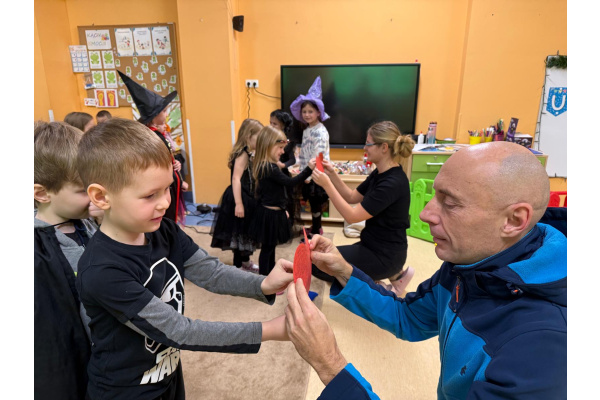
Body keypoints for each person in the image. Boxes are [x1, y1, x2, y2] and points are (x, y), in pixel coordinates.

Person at [285, 142, 567, 399]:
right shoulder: (469, 263)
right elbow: (408, 317)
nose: (425, 214)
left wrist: (330, 364)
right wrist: (344, 271)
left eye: (450, 203)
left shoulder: (542, 347)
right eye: (435, 196)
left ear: (514, 220)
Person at [75, 118, 292, 400]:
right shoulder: (102, 270)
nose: (165, 202)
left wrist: (263, 284)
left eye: (167, 188)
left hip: (167, 373)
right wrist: (268, 329)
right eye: (150, 195)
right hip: (125, 391)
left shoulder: (164, 230)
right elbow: (179, 331)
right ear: (101, 196)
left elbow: (211, 272)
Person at [34, 121, 101, 400]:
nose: (95, 196)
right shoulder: (38, 252)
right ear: (42, 193)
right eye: (83, 190)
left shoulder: (89, 224)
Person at [311, 121, 415, 295]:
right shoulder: (380, 173)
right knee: (321, 258)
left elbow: (352, 216)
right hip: (373, 246)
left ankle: (378, 287)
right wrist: (332, 173)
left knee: (317, 264)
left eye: (368, 144)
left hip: (384, 256)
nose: (365, 148)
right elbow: (351, 196)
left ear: (384, 147)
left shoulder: (392, 183)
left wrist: (326, 185)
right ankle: (396, 276)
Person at [118, 70, 187, 225]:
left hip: (171, 180)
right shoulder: (152, 136)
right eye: (164, 111)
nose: (166, 114)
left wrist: (175, 164)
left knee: (171, 215)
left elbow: (167, 156)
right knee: (166, 216)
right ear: (155, 115)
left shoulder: (159, 133)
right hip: (163, 183)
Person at [249, 125, 315, 276]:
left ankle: (270, 273)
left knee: (270, 247)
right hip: (270, 215)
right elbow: (290, 182)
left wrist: (282, 208)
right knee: (268, 249)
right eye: (280, 147)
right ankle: (264, 279)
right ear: (268, 146)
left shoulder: (267, 165)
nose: (283, 151)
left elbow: (273, 193)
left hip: (273, 212)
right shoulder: (269, 168)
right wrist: (309, 169)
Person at [211, 118, 263, 273]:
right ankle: (239, 267)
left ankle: (244, 262)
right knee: (240, 234)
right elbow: (236, 179)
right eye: (258, 137)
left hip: (247, 197)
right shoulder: (243, 155)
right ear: (248, 136)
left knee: (244, 234)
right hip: (240, 198)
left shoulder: (249, 153)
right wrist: (239, 203)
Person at [290, 76, 330, 239]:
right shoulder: (307, 130)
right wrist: (300, 167)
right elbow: (306, 152)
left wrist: (309, 175)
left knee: (315, 203)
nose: (307, 115)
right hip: (307, 172)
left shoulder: (320, 131)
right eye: (304, 112)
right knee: (312, 203)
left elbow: (318, 155)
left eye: (310, 111)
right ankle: (315, 226)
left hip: (316, 174)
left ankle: (316, 231)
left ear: (318, 112)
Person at [269, 109, 298, 231]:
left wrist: (283, 165)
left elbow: (292, 160)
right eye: (270, 123)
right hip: (271, 174)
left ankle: (285, 228)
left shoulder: (287, 140)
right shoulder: (268, 138)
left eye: (275, 124)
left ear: (283, 125)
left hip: (282, 175)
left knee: (285, 202)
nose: (271, 126)